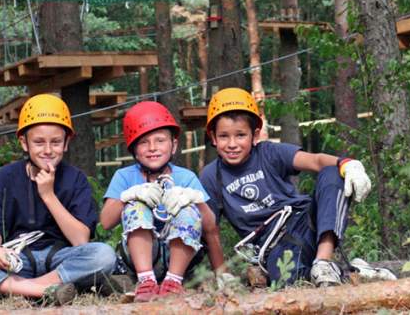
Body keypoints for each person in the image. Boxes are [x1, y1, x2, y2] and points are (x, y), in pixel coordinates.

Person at [0, 94, 117, 305]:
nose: (48, 150)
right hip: (18, 261)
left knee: (104, 255)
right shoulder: (6, 178)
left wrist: (48, 195)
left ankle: (22, 289)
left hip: (61, 260)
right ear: (24, 142)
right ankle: (41, 291)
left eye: (55, 142)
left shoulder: (76, 180)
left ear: (66, 143)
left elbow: (80, 240)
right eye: (39, 142)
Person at [199, 88, 372, 287]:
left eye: (240, 135)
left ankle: (323, 262)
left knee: (333, 171)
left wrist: (346, 163)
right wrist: (223, 274)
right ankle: (352, 272)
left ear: (254, 135)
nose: (232, 144)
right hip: (272, 246)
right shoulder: (211, 176)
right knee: (287, 279)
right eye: (223, 136)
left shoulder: (269, 153)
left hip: (305, 223)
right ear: (213, 138)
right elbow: (210, 230)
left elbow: (315, 161)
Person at [100, 101, 224, 302]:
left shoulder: (186, 177)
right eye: (143, 142)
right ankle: (146, 281)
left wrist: (197, 201)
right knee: (136, 205)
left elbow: (210, 228)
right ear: (133, 149)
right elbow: (105, 222)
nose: (152, 148)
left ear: (173, 145)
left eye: (160, 140)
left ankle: (173, 282)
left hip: (179, 257)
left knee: (188, 210)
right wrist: (127, 196)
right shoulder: (124, 177)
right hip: (140, 257)